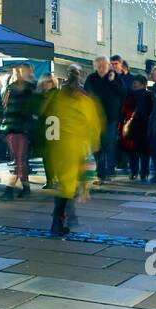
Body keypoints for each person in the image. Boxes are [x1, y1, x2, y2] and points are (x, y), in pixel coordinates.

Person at [42, 66, 103, 236]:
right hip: (77, 149)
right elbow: (94, 125)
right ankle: (59, 221)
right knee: (69, 187)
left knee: (65, 185)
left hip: (58, 148)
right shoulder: (85, 100)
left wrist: (51, 144)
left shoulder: (57, 98)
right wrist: (94, 144)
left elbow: (49, 121)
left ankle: (64, 218)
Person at [84, 57, 123, 182]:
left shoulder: (114, 77)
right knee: (97, 144)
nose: (101, 68)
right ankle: (100, 171)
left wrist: (112, 81)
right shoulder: (91, 78)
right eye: (98, 66)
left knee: (108, 144)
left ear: (108, 66)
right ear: (95, 67)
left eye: (103, 65)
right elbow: (85, 95)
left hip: (110, 117)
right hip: (94, 117)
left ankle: (109, 169)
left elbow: (123, 93)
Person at [0, 65, 36, 199]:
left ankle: (9, 189)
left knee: (19, 159)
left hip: (23, 129)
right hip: (13, 128)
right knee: (18, 159)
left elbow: (32, 109)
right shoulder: (11, 88)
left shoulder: (30, 88)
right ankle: (25, 187)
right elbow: (6, 108)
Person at [121, 74, 152, 180]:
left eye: (135, 83)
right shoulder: (132, 96)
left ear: (142, 85)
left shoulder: (148, 96)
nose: (133, 85)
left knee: (141, 151)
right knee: (136, 151)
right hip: (135, 126)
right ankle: (139, 172)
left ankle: (140, 172)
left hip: (143, 126)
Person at [33, 73, 58, 189]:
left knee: (54, 155)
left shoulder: (57, 94)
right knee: (46, 156)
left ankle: (55, 178)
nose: (48, 84)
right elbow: (33, 110)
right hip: (43, 127)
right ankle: (50, 180)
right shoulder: (38, 96)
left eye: (50, 82)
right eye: (46, 82)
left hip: (55, 126)